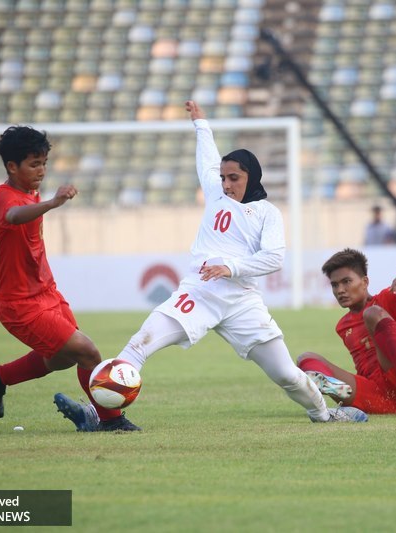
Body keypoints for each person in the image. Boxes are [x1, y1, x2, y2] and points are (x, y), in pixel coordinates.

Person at [106, 101, 368, 424]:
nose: (226, 184)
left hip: (241, 301)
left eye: (234, 178)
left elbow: (274, 257)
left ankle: (324, 415)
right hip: (199, 294)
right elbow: (206, 157)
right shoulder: (216, 193)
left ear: (252, 176)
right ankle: (102, 412)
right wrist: (201, 124)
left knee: (286, 373)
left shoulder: (267, 214)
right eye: (223, 177)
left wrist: (231, 268)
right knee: (140, 342)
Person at [0, 126, 139, 432]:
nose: (41, 170)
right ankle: (111, 421)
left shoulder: (30, 192)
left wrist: (46, 201)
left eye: (44, 163)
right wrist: (53, 203)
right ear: (12, 167)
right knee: (88, 352)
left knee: (65, 359)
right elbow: (12, 217)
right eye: (34, 164)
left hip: (46, 293)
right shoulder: (3, 197)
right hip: (20, 304)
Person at [296, 248, 396, 414]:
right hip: (383, 396)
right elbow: (364, 365)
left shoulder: (384, 300)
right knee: (305, 359)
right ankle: (336, 395)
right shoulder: (342, 326)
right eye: (335, 285)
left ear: (365, 282)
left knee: (372, 313)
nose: (340, 290)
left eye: (346, 282)